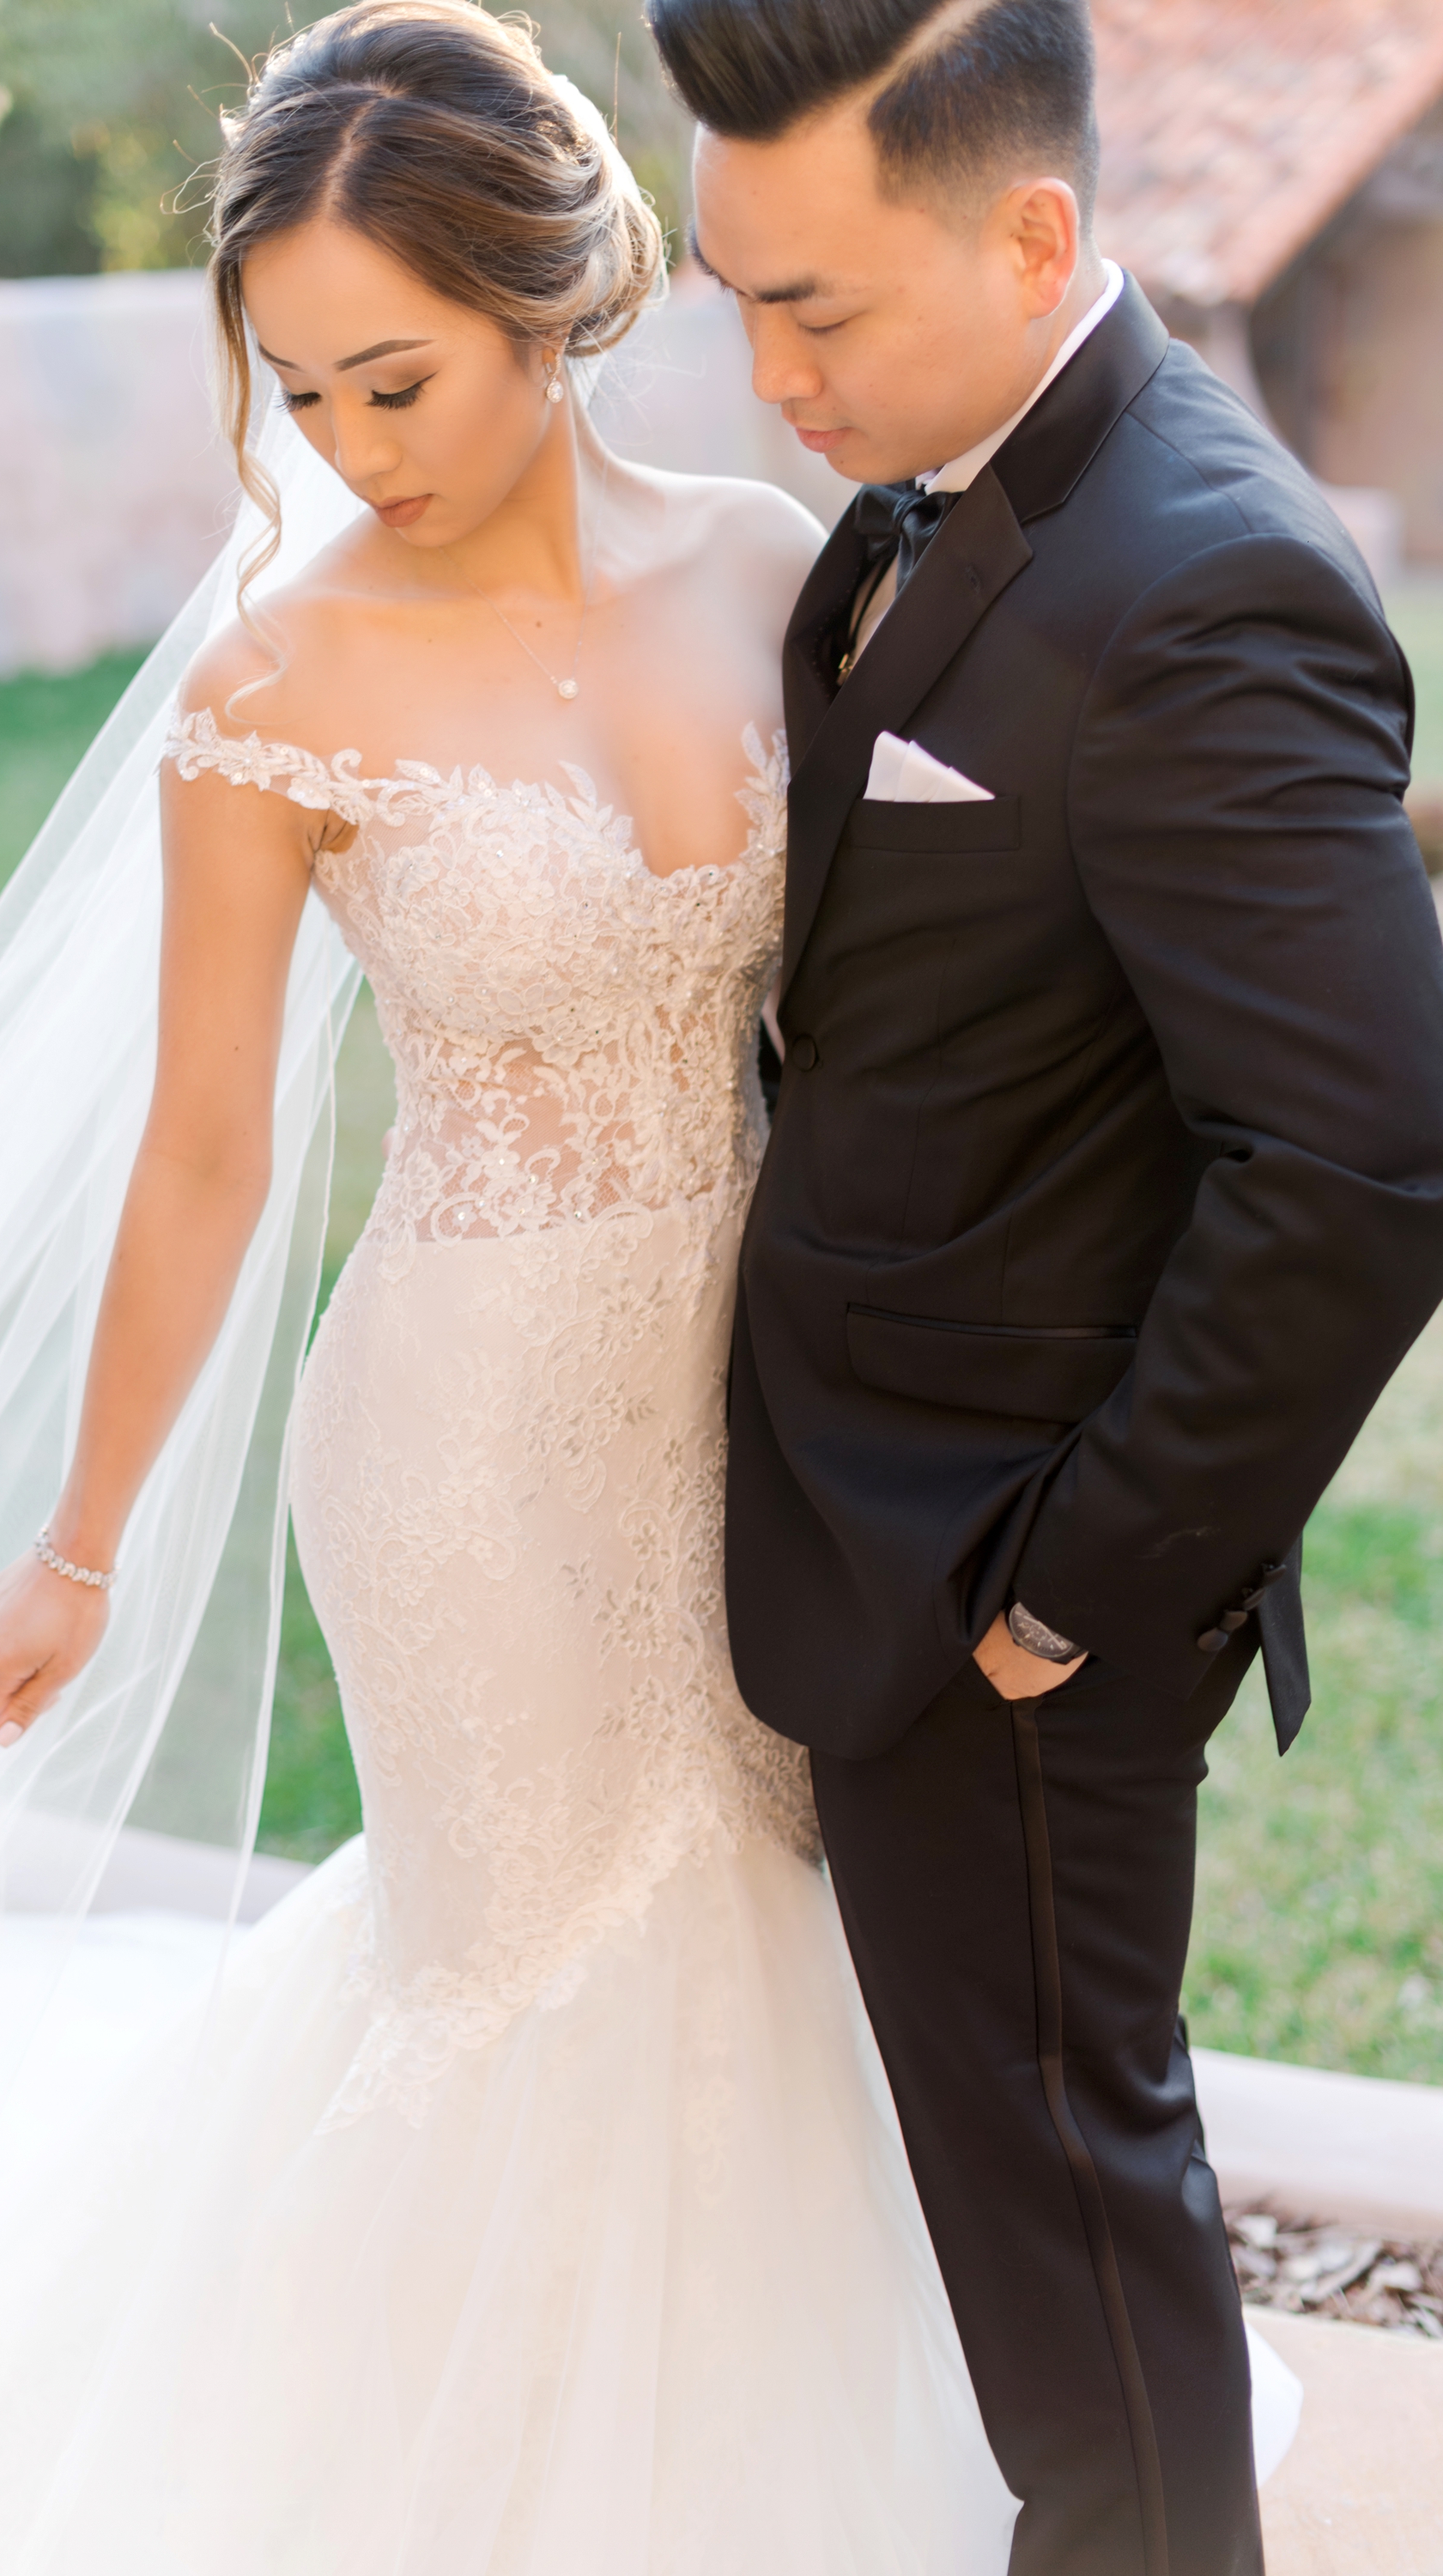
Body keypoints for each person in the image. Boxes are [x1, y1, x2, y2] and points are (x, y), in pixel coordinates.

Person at [0, 6, 1029, 2568]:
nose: (352, 448)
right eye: (301, 395)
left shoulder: (773, 563)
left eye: (397, 379)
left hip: (749, 1408)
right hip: (461, 1435)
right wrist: (82, 1541)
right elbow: (208, 1148)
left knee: (751, 1923)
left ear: (556, 298)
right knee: (538, 1961)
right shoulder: (275, 686)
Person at [646, 0, 1443, 2570]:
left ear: (1032, 234)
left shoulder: (1205, 580)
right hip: (878, 1521)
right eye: (736, 303)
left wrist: (1071, 1593)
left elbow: (1365, 1159)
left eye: (819, 311)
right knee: (1021, 2225)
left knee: (1078, 2265)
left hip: (1004, 1565)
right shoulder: (937, 495)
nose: (770, 382)